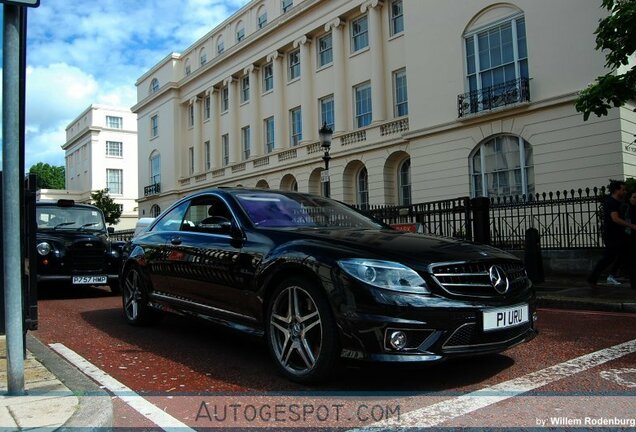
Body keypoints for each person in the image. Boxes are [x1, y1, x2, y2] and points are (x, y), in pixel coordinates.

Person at [587, 180, 636, 291]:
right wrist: (631, 226)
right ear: (616, 190)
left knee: (630, 258)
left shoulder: (620, 203)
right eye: (622, 189)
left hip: (621, 235)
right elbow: (615, 218)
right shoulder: (611, 202)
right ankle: (592, 279)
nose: (625, 191)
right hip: (612, 235)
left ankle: (634, 284)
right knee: (609, 258)